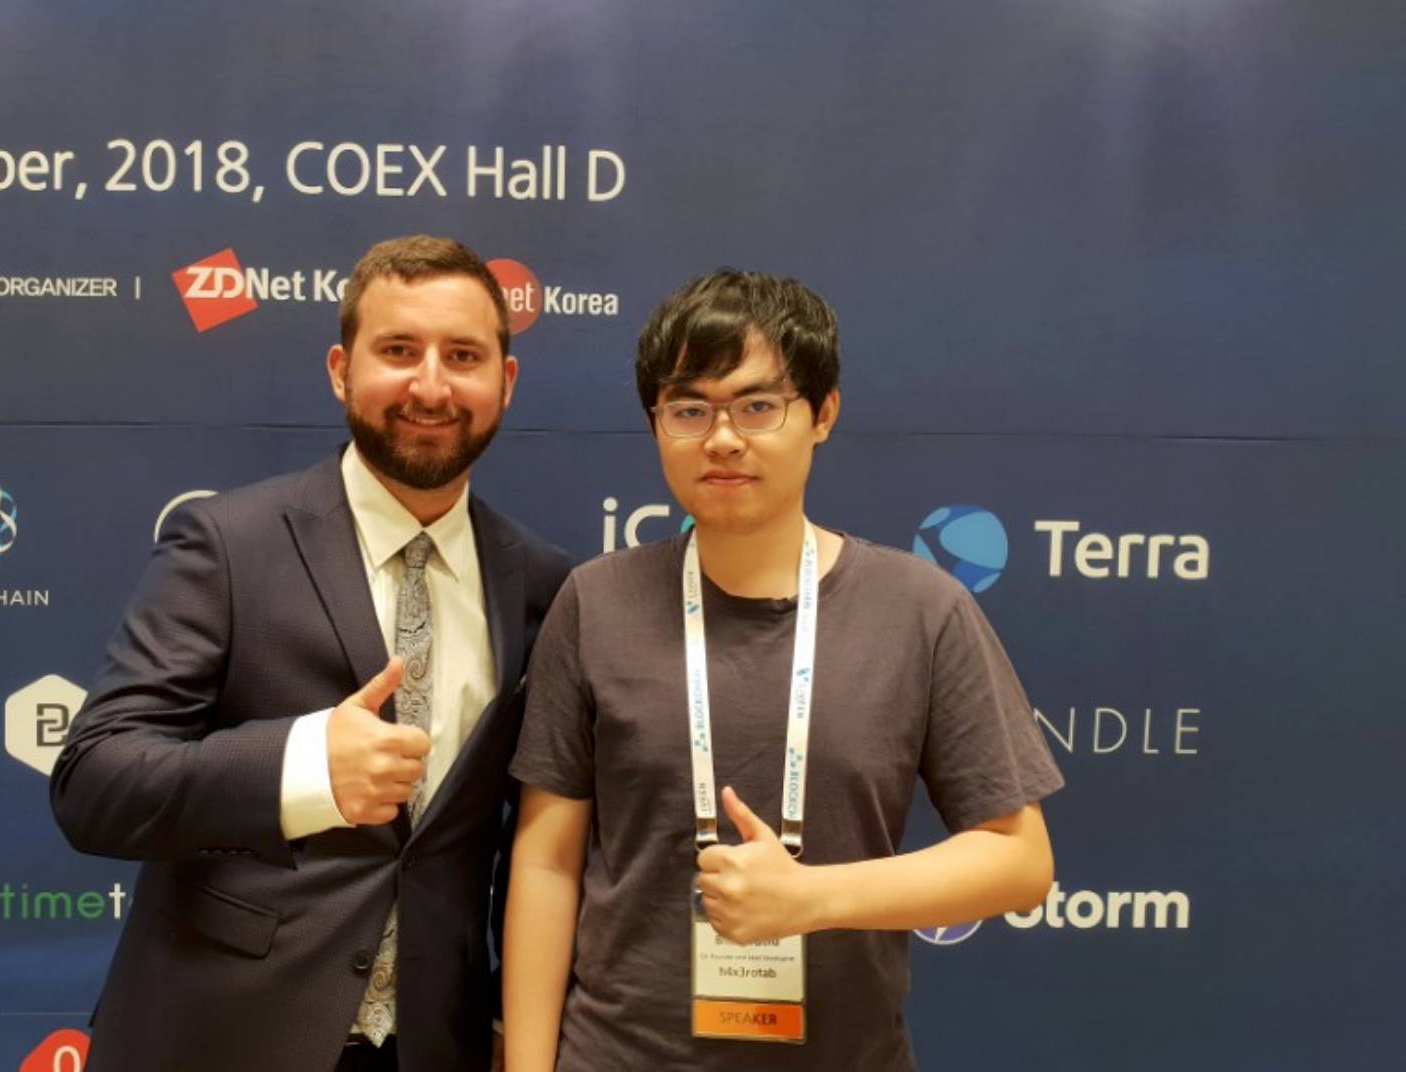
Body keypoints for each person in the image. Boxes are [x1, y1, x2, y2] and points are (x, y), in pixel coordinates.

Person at [503, 269, 1062, 1071]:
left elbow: (1019, 859)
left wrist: (811, 897)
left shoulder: (920, 609)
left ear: (822, 414)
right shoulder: (596, 602)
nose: (723, 439)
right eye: (689, 410)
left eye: (757, 406)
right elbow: (547, 862)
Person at [52, 235, 572, 1072]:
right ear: (341, 371)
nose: (430, 385)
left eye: (463, 356)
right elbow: (95, 785)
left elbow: (532, 843)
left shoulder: (543, 584)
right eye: (398, 350)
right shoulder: (227, 544)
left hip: (434, 1047)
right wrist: (303, 768)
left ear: (505, 382)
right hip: (223, 1039)